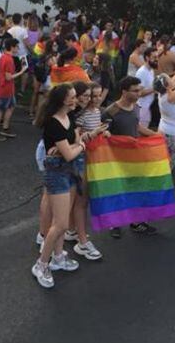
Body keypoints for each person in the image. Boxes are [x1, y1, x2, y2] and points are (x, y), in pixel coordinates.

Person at [31, 84, 84, 289]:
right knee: (61, 224)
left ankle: (59, 257)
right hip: (57, 174)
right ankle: (41, 264)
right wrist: (79, 147)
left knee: (61, 219)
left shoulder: (68, 117)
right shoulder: (54, 123)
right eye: (72, 96)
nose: (76, 99)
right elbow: (73, 151)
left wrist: (73, 146)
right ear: (63, 100)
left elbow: (73, 143)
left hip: (67, 170)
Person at [103, 76, 159, 238]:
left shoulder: (135, 106)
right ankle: (115, 223)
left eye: (139, 90)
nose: (139, 93)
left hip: (134, 157)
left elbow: (137, 126)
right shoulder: (111, 111)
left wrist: (156, 136)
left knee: (136, 189)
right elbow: (103, 134)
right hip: (116, 158)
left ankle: (136, 222)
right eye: (135, 91)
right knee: (118, 191)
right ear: (124, 92)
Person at [67, 82, 106, 262]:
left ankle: (72, 230)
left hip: (87, 159)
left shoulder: (93, 112)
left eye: (96, 95)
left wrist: (101, 133)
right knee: (80, 200)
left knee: (78, 199)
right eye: (90, 95)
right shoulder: (78, 115)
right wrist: (95, 133)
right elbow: (77, 140)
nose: (92, 99)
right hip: (79, 159)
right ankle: (82, 242)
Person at [0, 38, 26, 142]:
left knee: (11, 106)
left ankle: (5, 127)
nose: (18, 48)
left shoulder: (4, 56)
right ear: (12, 47)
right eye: (17, 46)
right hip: (5, 88)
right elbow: (8, 77)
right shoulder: (8, 59)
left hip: (7, 88)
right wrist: (21, 72)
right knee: (1, 109)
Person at [134, 48, 157, 129]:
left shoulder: (151, 70)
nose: (156, 60)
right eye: (154, 57)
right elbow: (138, 93)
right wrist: (155, 88)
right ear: (147, 58)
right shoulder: (142, 72)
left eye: (157, 57)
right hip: (142, 108)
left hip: (148, 107)